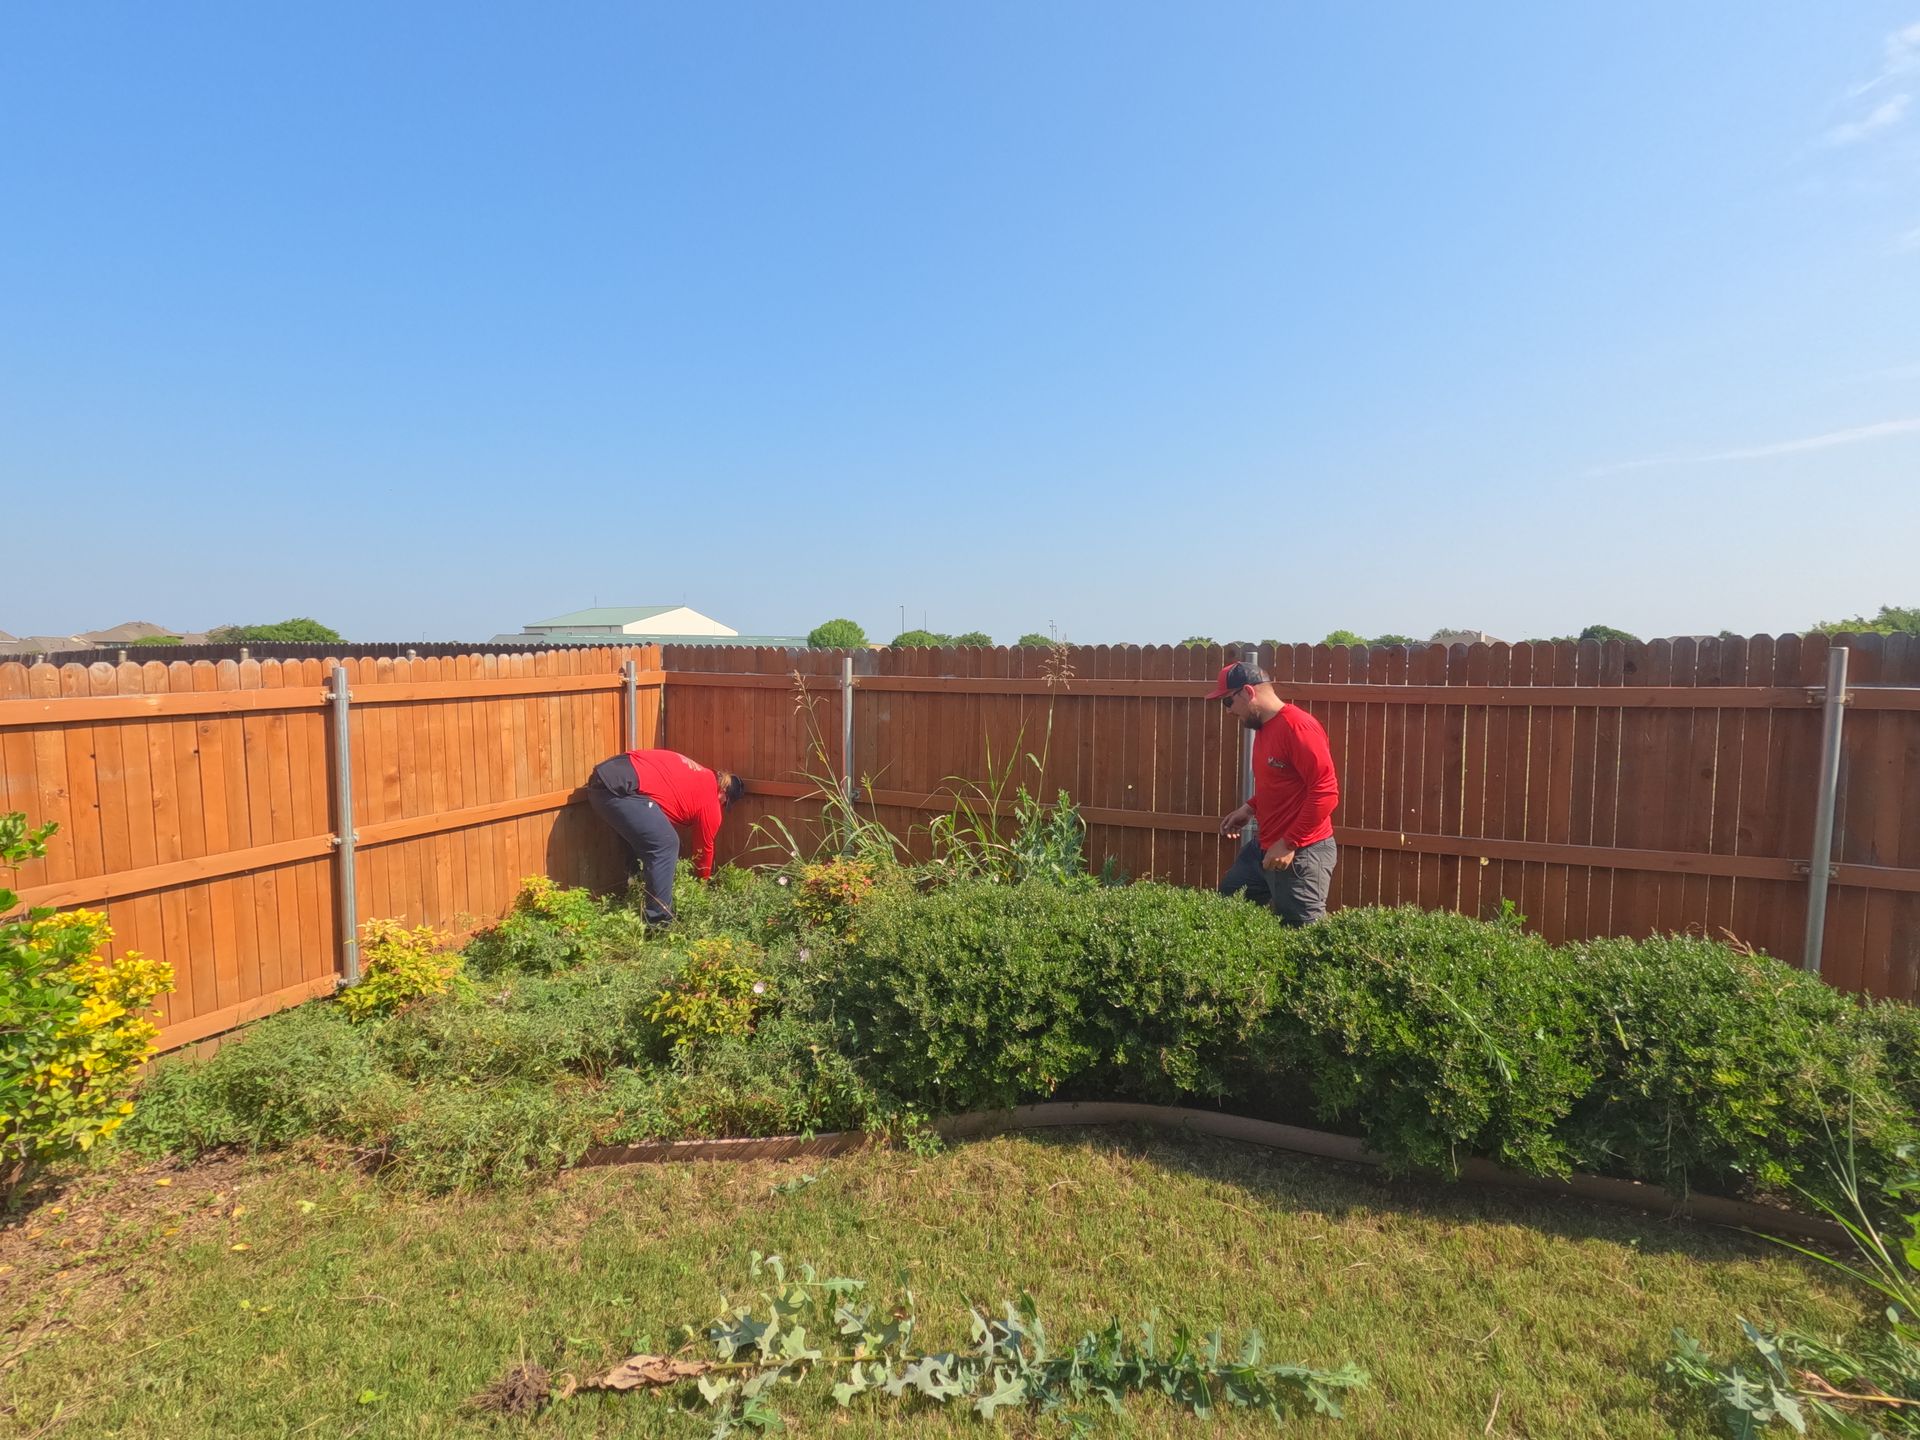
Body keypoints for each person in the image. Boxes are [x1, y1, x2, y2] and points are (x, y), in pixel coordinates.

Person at [1209, 661, 1340, 926]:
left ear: (1247, 692)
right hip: (1264, 848)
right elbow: (1282, 783)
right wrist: (1249, 808)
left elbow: (1325, 791)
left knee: (1303, 935)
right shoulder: (1264, 728)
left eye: (1228, 702)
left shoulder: (1298, 727)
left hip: (1301, 853)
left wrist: (1289, 842)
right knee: (1226, 910)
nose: (1229, 712)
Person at [585, 747, 744, 924]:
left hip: (607, 777)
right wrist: (702, 885)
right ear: (723, 793)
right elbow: (704, 849)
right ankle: (659, 922)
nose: (721, 806)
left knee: (649, 835)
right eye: (725, 803)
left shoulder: (700, 773)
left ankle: (634, 888)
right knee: (666, 844)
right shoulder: (711, 802)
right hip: (620, 788)